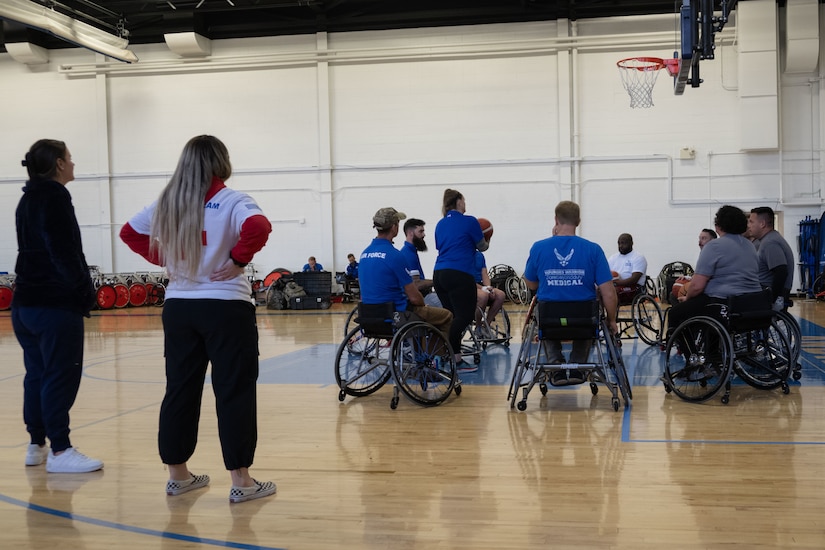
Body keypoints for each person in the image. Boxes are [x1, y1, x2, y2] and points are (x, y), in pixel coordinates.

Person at [119, 135, 276, 504]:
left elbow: (130, 232)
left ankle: (179, 476)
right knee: (233, 390)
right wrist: (237, 260)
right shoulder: (234, 200)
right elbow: (260, 227)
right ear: (221, 161)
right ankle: (241, 481)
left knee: (180, 388)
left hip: (179, 307)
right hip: (225, 306)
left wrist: (166, 260)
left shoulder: (167, 202)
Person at [12, 139, 103, 474]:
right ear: (60, 165)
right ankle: (60, 450)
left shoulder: (26, 199)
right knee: (60, 375)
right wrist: (83, 290)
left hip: (25, 304)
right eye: (70, 158)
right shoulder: (55, 196)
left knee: (36, 374)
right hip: (54, 304)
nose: (74, 163)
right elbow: (62, 250)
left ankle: (36, 445)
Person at [523, 201, 618, 385]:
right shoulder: (594, 249)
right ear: (579, 221)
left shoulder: (539, 247)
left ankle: (555, 365)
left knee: (543, 316)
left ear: (556, 220)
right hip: (583, 318)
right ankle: (578, 366)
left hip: (549, 317)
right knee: (590, 317)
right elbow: (609, 293)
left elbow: (531, 283)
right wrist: (612, 320)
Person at [358, 207, 453, 339]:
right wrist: (423, 304)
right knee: (446, 316)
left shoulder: (364, 255)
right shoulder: (395, 256)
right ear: (394, 227)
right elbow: (414, 297)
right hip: (396, 315)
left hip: (369, 316)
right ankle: (435, 356)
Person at [668, 205, 762, 331]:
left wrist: (687, 299)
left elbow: (697, 286)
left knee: (675, 313)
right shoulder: (750, 245)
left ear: (718, 226)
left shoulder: (714, 246)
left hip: (723, 302)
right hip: (752, 301)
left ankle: (688, 349)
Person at [433, 189, 488, 370]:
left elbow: (442, 246)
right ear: (458, 202)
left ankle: (453, 358)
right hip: (459, 274)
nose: (466, 204)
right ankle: (444, 350)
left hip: (439, 274)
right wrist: (487, 237)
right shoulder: (470, 221)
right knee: (464, 317)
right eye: (464, 200)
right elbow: (482, 246)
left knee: (451, 317)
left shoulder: (440, 224)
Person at [748, 207, 795, 311]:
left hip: (766, 293)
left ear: (762, 224)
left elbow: (781, 271)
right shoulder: (769, 239)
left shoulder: (770, 242)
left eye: (751, 222)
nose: (749, 225)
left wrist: (771, 300)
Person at [473, 251, 506, 338]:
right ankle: (478, 326)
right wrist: (483, 289)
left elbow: (484, 273)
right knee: (483, 296)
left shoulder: (479, 255)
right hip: (468, 285)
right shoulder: (462, 255)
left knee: (500, 295)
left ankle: (486, 325)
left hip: (480, 285)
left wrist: (488, 287)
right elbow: (466, 278)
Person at [607, 233, 647, 305]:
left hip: (634, 288)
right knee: (599, 290)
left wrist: (615, 283)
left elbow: (634, 279)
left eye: (623, 243)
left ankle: (612, 314)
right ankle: (600, 314)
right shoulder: (613, 258)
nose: (620, 246)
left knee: (613, 291)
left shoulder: (638, 257)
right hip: (616, 285)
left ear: (631, 243)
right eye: (619, 243)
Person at [399, 218, 434, 295]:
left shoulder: (410, 251)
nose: (424, 235)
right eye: (420, 231)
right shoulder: (408, 254)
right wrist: (437, 281)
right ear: (410, 233)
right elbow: (416, 284)